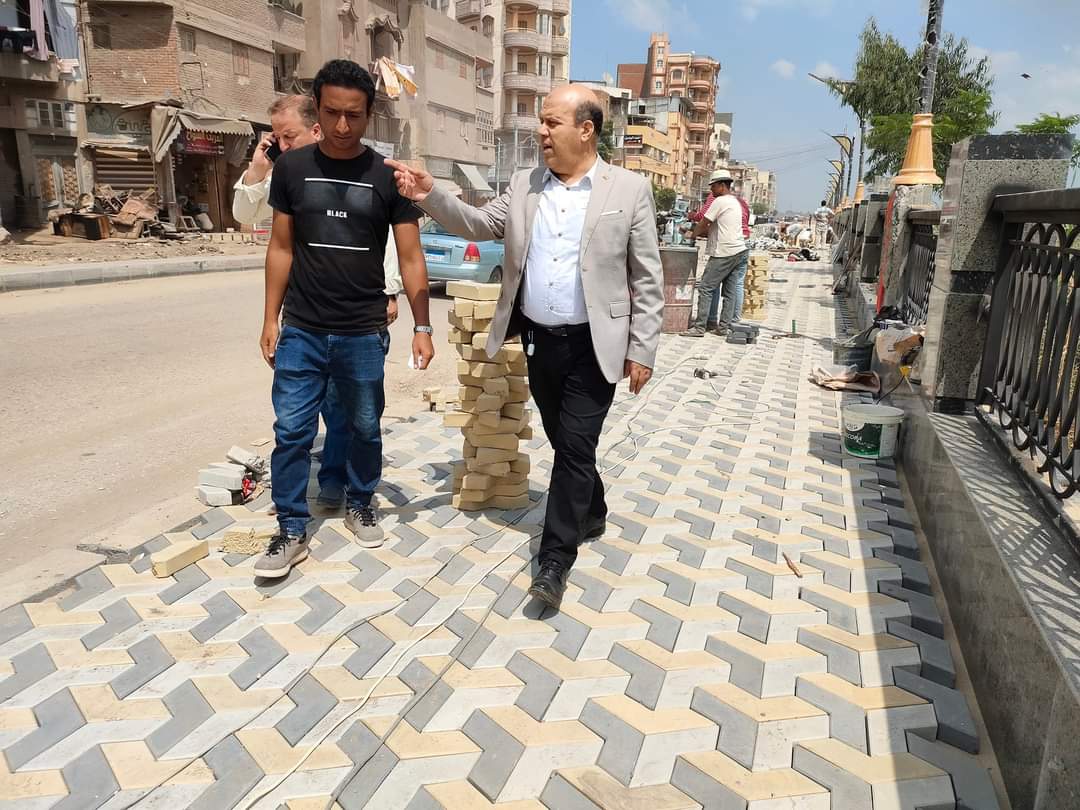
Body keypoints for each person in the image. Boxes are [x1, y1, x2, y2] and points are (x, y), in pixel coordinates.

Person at [387, 85, 663, 609]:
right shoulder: (525, 185)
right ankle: (592, 508)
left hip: (596, 344)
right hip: (539, 341)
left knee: (575, 446)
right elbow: (478, 224)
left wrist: (642, 349)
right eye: (541, 122)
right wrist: (430, 194)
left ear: (586, 130)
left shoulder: (629, 190)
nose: (541, 132)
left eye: (552, 123)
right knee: (566, 442)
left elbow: (646, 277)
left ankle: (554, 560)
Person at [255, 60, 435, 579]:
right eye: (332, 113)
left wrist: (422, 326)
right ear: (317, 108)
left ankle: (360, 501)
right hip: (302, 328)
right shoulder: (293, 169)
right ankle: (291, 529)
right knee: (292, 430)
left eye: (353, 115)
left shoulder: (387, 177)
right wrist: (270, 318)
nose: (341, 125)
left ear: (369, 114)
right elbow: (281, 246)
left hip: (363, 331)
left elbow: (410, 257)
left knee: (363, 426)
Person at [233, 94, 404, 513]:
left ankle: (338, 482)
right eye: (276, 137)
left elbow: (377, 240)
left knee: (351, 414)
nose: (281, 144)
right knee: (297, 421)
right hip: (305, 318)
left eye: (288, 135)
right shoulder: (290, 171)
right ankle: (301, 507)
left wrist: (390, 290)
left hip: (359, 316)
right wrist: (258, 168)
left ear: (314, 128)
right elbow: (246, 215)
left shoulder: (365, 170)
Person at [680, 170, 749, 338]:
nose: (711, 189)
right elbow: (716, 229)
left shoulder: (720, 201)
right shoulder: (734, 202)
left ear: (722, 185)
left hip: (724, 252)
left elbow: (704, 223)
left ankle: (699, 327)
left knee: (705, 287)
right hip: (739, 250)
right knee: (729, 292)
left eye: (713, 186)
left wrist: (692, 234)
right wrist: (697, 233)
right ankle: (723, 327)